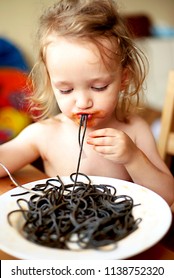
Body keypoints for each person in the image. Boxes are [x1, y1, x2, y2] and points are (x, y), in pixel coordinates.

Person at [0, 0, 174, 206]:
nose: (83, 103)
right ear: (50, 83)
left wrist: (133, 158)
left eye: (98, 87)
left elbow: (167, 195)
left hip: (123, 229)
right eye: (66, 89)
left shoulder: (135, 131)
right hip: (62, 232)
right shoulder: (44, 133)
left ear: (123, 79)